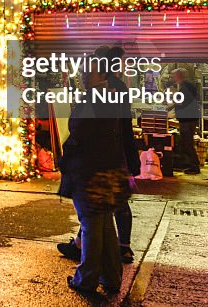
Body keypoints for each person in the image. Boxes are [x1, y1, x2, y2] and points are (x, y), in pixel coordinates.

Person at [58, 46, 136, 264]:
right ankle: (109, 260)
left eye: (87, 72)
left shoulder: (104, 92)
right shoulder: (111, 88)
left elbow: (86, 132)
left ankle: (93, 267)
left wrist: (67, 158)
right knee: (102, 213)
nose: (84, 76)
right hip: (109, 157)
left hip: (98, 162)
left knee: (97, 214)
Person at [170, 68, 201, 174]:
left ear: (180, 76)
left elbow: (183, 102)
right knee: (187, 142)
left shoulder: (186, 87)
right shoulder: (186, 86)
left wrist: (174, 101)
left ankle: (194, 166)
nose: (173, 78)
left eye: (174, 76)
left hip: (188, 120)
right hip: (187, 119)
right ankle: (190, 164)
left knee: (187, 143)